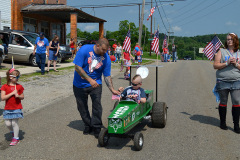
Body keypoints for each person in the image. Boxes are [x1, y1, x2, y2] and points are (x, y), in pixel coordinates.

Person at [73, 38, 121, 138]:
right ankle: (87, 124)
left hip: (96, 84)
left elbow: (107, 75)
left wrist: (112, 90)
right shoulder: (84, 50)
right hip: (79, 85)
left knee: (97, 106)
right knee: (82, 107)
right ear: (97, 45)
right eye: (103, 50)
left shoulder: (106, 58)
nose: (105, 52)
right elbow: (77, 67)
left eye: (106, 50)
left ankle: (96, 127)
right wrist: (90, 80)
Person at [213, 33, 240, 133]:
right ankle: (223, 122)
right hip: (223, 81)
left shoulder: (239, 53)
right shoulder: (221, 51)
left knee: (236, 101)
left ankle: (236, 125)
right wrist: (227, 63)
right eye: (228, 39)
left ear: (235, 41)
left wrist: (236, 64)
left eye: (231, 39)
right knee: (223, 101)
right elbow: (215, 65)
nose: (229, 41)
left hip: (236, 81)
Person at [1, 68, 24, 146]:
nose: (17, 79)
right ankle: (13, 132)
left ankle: (16, 138)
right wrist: (12, 93)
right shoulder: (4, 86)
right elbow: (2, 98)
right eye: (16, 77)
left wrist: (18, 95)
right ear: (11, 77)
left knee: (14, 123)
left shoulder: (19, 86)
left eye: (18, 77)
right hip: (8, 108)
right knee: (8, 124)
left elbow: (22, 96)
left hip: (16, 107)